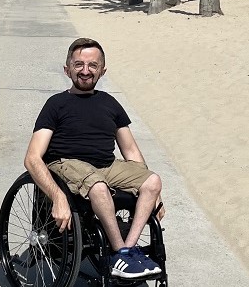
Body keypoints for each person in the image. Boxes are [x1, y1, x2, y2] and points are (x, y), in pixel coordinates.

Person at [23, 38, 165, 279]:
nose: (86, 71)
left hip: (105, 166)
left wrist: (154, 195)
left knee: (152, 181)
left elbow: (130, 151)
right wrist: (57, 196)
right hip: (66, 164)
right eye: (79, 65)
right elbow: (32, 158)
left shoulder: (110, 103)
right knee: (98, 186)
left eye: (92, 65)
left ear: (103, 70)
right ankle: (120, 252)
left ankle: (126, 252)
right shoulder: (56, 104)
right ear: (67, 70)